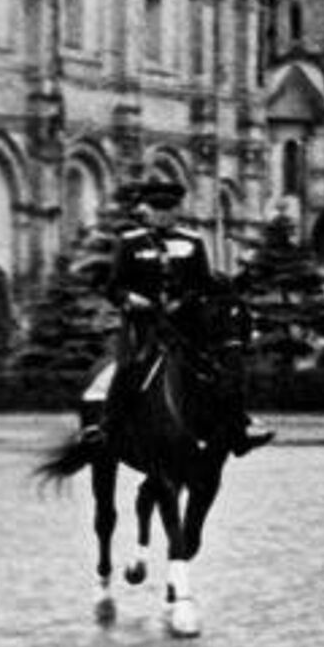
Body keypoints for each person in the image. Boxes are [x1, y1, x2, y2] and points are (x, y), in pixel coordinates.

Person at [77, 176, 273, 456]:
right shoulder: (130, 243)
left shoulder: (192, 241)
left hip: (186, 323)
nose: (163, 214)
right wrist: (131, 299)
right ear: (146, 210)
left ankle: (238, 427)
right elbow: (114, 287)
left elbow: (203, 282)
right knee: (128, 367)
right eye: (157, 208)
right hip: (143, 324)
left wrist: (188, 299)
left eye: (169, 209)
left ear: (178, 210)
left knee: (225, 365)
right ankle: (107, 426)